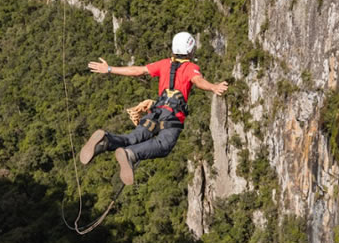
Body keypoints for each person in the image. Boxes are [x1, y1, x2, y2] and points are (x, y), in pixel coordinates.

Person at [80, 32, 229, 185]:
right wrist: (214, 87)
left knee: (131, 138)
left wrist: (110, 69)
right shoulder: (191, 68)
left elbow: (137, 70)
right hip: (172, 117)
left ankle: (106, 141)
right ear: (190, 50)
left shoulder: (164, 64)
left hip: (155, 112)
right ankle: (131, 154)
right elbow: (198, 81)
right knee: (164, 145)